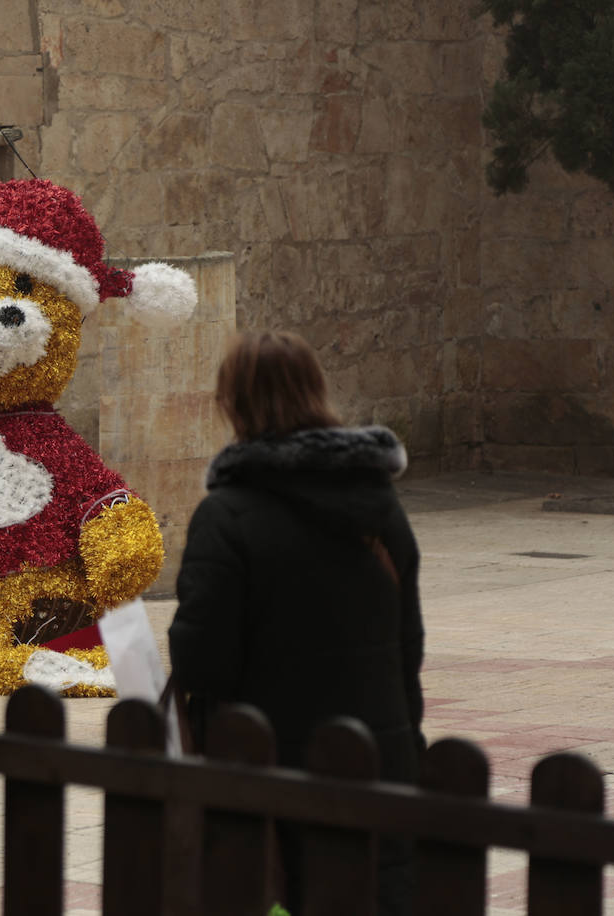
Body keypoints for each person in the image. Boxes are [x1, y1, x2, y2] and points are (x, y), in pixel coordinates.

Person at [168, 330, 424, 915]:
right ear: (317, 392)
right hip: (376, 756)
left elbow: (202, 661)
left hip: (269, 767)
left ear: (232, 404)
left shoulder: (227, 515)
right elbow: (408, 644)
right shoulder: (378, 504)